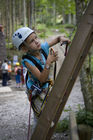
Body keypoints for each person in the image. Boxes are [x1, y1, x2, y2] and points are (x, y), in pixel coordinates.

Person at [12, 27, 70, 134]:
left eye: (36, 38)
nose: (37, 42)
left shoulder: (42, 48)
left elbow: (57, 39)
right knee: (41, 120)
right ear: (25, 48)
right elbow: (42, 79)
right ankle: (37, 136)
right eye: (32, 41)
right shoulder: (27, 61)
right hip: (36, 93)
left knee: (47, 115)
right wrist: (48, 61)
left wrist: (62, 38)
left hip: (45, 88)